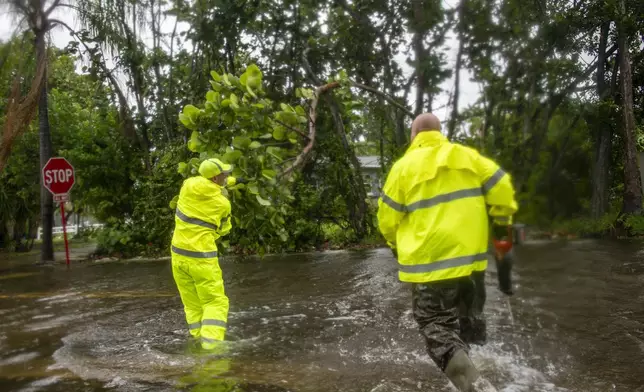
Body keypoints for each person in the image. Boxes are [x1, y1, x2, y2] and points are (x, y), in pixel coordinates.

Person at [377, 113, 518, 391]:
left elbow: (386, 220)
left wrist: (396, 248)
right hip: (472, 267)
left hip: (430, 268)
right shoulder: (469, 157)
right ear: (440, 132)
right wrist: (502, 234)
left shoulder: (403, 168)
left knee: (436, 326)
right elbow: (502, 188)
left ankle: (475, 386)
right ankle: (489, 372)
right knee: (469, 325)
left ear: (413, 136)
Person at [171, 158, 234, 351]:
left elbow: (206, 186)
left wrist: (225, 185)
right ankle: (212, 350)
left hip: (178, 257)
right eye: (224, 174)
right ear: (216, 177)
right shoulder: (223, 204)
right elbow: (224, 230)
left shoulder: (187, 186)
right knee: (215, 302)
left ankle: (197, 342)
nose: (225, 177)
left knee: (192, 305)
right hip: (202, 259)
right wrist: (224, 194)